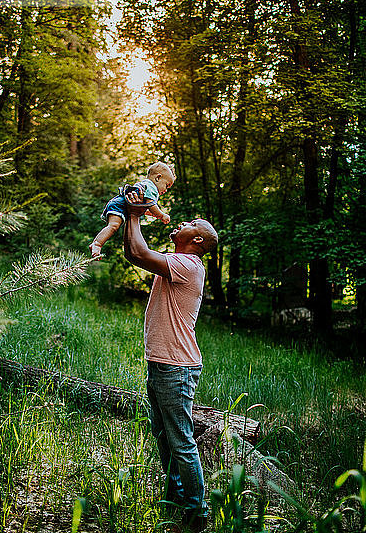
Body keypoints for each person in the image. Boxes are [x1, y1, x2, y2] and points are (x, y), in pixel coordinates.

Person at [123, 189, 218, 533]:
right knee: (166, 439)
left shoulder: (188, 265)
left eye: (191, 223)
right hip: (164, 364)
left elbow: (137, 253)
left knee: (181, 442)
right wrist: (128, 214)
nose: (182, 221)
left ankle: (196, 515)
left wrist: (133, 213)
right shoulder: (178, 264)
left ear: (195, 239)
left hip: (175, 368)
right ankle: (176, 502)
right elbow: (133, 250)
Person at [90, 162, 175, 258]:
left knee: (113, 226)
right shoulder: (151, 187)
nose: (166, 190)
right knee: (113, 226)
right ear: (158, 178)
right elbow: (151, 205)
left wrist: (152, 214)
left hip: (119, 204)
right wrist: (162, 215)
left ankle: (97, 243)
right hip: (120, 205)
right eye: (167, 185)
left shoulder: (146, 186)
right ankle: (97, 244)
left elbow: (142, 207)